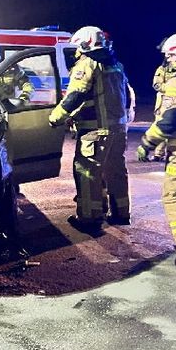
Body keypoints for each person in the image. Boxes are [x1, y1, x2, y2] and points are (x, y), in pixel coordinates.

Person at [47, 26, 131, 227]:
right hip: (118, 129)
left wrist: (55, 118)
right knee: (115, 172)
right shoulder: (116, 65)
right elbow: (124, 96)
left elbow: (76, 96)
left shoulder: (87, 64)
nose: (76, 51)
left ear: (85, 44)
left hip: (95, 131)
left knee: (87, 173)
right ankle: (121, 213)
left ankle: (89, 218)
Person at [136, 31, 176, 271]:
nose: (170, 62)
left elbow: (172, 118)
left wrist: (148, 142)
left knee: (175, 196)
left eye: (172, 57)